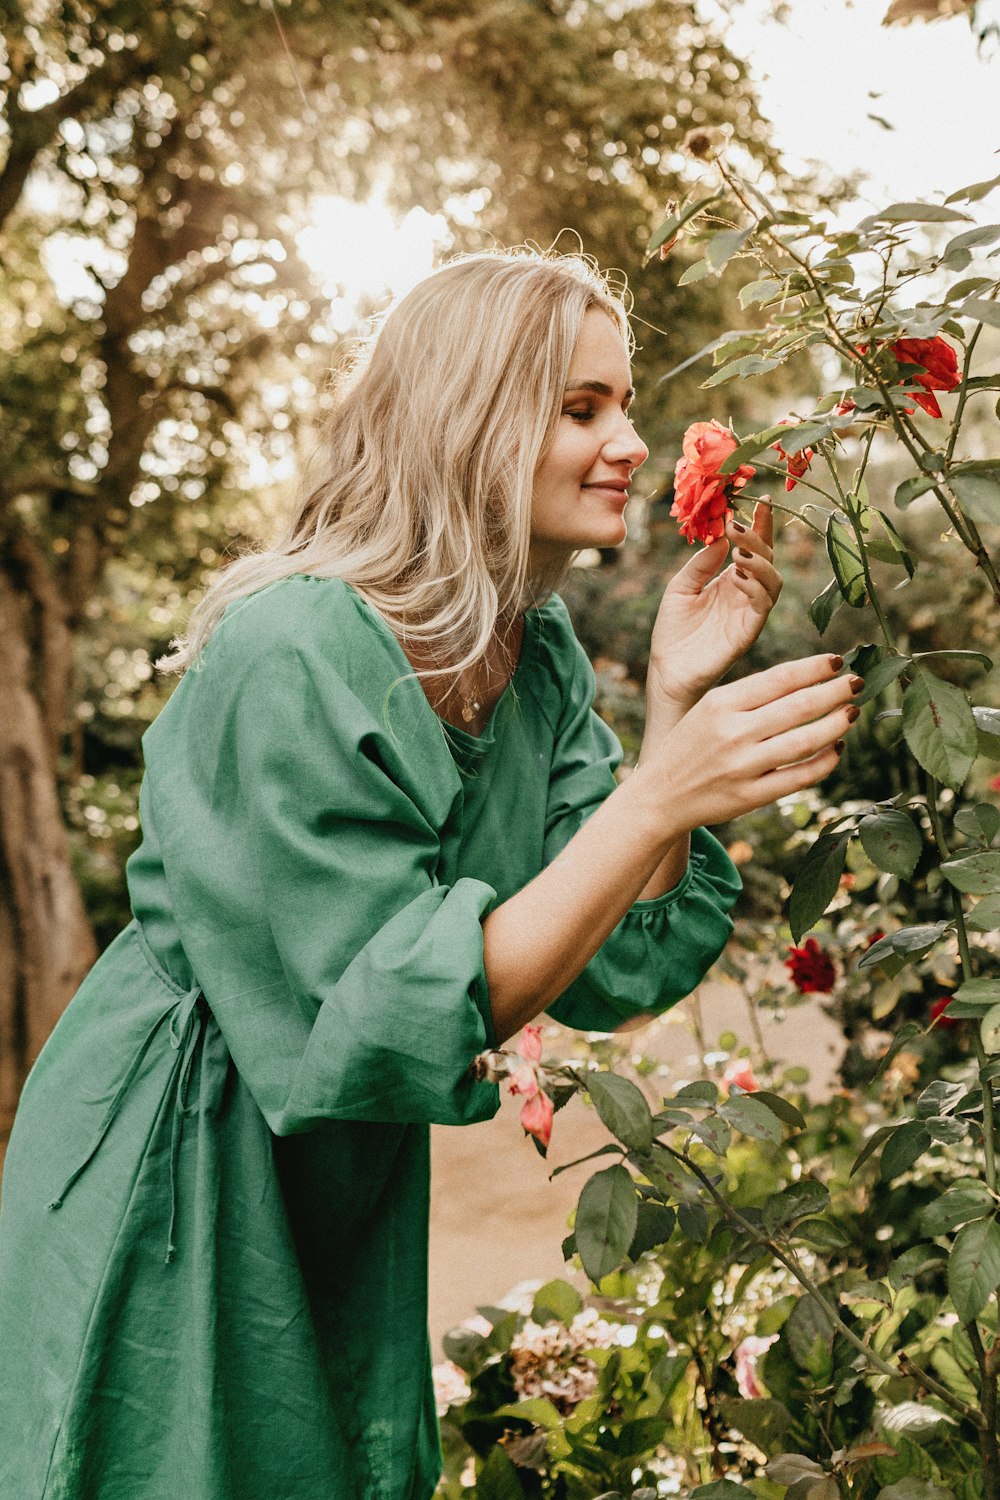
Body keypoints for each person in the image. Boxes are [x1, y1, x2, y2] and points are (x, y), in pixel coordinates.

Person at [0, 249, 858, 1499]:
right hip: (182, 1152)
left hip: (341, 1165)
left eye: (621, 403)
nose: (627, 439)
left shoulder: (539, 653)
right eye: (581, 409)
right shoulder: (292, 648)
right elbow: (371, 1019)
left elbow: (620, 958)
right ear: (468, 419)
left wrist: (674, 708)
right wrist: (663, 793)